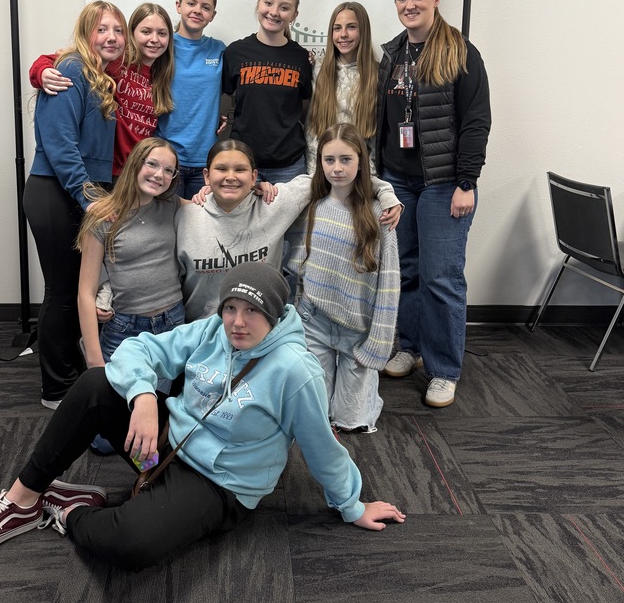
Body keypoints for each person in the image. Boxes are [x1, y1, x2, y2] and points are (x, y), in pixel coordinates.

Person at [0, 262, 406, 570]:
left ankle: (67, 509)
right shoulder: (213, 329)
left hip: (218, 486)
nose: (237, 322)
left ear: (277, 314)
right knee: (94, 386)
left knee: (128, 546)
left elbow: (322, 447)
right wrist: (144, 397)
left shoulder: (295, 371)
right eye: (231, 308)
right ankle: (22, 501)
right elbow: (138, 350)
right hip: (161, 452)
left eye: (252, 311)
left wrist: (351, 505)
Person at [376, 0, 491, 408]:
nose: (409, 4)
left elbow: (477, 121)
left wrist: (467, 182)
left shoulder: (460, 52)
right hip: (398, 180)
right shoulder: (393, 53)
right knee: (405, 270)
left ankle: (444, 369)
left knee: (441, 277)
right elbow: (384, 119)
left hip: (445, 184)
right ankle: (410, 346)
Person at [23, 0, 126, 409]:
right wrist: (89, 198)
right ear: (86, 33)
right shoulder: (69, 70)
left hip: (83, 190)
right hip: (57, 190)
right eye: (102, 29)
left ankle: (71, 376)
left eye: (118, 30)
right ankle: (57, 389)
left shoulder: (101, 76)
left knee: (77, 288)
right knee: (63, 290)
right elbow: (60, 145)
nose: (112, 37)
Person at [287, 124, 401, 434]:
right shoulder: (309, 202)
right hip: (314, 318)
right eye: (329, 160)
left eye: (346, 160)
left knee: (351, 421)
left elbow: (389, 284)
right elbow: (299, 261)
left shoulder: (380, 213)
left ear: (361, 161)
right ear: (319, 161)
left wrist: (379, 340)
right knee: (316, 417)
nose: (337, 168)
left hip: (357, 325)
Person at [76, 137, 185, 452]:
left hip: (171, 326)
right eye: (152, 164)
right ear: (135, 164)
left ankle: (150, 465)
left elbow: (215, 203)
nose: (159, 175)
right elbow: (84, 293)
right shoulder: (104, 216)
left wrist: (255, 190)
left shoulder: (172, 206)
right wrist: (95, 362)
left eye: (168, 170)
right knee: (103, 441)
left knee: (153, 427)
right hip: (126, 330)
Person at [29, 3, 175, 177]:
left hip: (134, 173)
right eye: (146, 32)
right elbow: (57, 59)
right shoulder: (116, 61)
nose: (154, 39)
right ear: (131, 35)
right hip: (105, 169)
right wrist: (42, 72)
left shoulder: (161, 78)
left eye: (162, 33)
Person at [176, 139, 312, 321]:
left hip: (263, 329)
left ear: (254, 176)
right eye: (222, 169)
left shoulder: (273, 204)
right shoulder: (184, 216)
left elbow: (321, 178)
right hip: (201, 332)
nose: (231, 176)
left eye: (240, 170)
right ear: (207, 176)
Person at [222, 0, 312, 184]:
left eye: (284, 7)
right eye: (268, 3)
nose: (273, 12)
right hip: (242, 162)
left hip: (289, 166)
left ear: (294, 15)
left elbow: (305, 108)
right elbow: (220, 99)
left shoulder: (301, 58)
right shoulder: (235, 52)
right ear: (258, 3)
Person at [155, 0, 226, 198]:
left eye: (206, 7)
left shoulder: (219, 50)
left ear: (213, 15)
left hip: (205, 161)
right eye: (191, 3)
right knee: (164, 229)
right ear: (179, 6)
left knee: (198, 229)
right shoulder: (161, 45)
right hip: (166, 159)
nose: (197, 11)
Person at [305, 1, 379, 175]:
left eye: (351, 27)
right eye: (337, 28)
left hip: (361, 174)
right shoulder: (318, 70)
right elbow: (312, 129)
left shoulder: (377, 74)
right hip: (323, 171)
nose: (343, 34)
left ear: (364, 31)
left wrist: (369, 176)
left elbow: (376, 138)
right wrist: (316, 173)